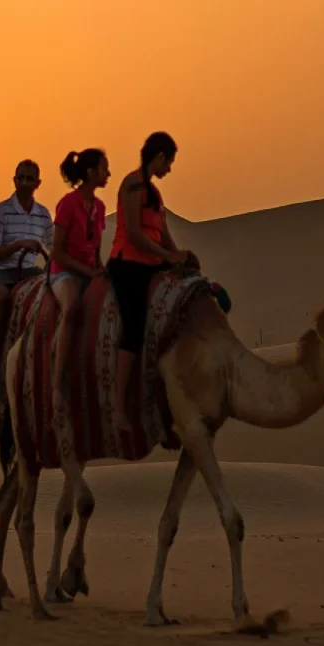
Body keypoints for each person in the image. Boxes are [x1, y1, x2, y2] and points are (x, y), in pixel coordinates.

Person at [107, 132, 198, 431]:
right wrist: (166, 256)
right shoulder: (132, 185)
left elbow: (164, 235)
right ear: (159, 157)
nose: (169, 168)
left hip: (152, 264)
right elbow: (134, 233)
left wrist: (179, 257)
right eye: (169, 162)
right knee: (133, 328)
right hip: (128, 265)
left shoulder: (155, 195)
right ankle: (118, 407)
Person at [0, 159, 53, 388]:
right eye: (21, 178)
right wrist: (19, 244)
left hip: (28, 271)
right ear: (14, 180)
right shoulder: (1, 212)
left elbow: (55, 244)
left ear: (38, 183)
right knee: (0, 297)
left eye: (30, 179)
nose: (25, 183)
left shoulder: (43, 215)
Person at [49, 148, 111, 412]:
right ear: (90, 172)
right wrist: (88, 272)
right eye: (104, 168)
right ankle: (57, 382)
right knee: (72, 305)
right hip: (63, 272)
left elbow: (95, 250)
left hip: (89, 271)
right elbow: (57, 251)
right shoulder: (67, 204)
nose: (108, 173)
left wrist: (101, 270)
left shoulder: (99, 207)